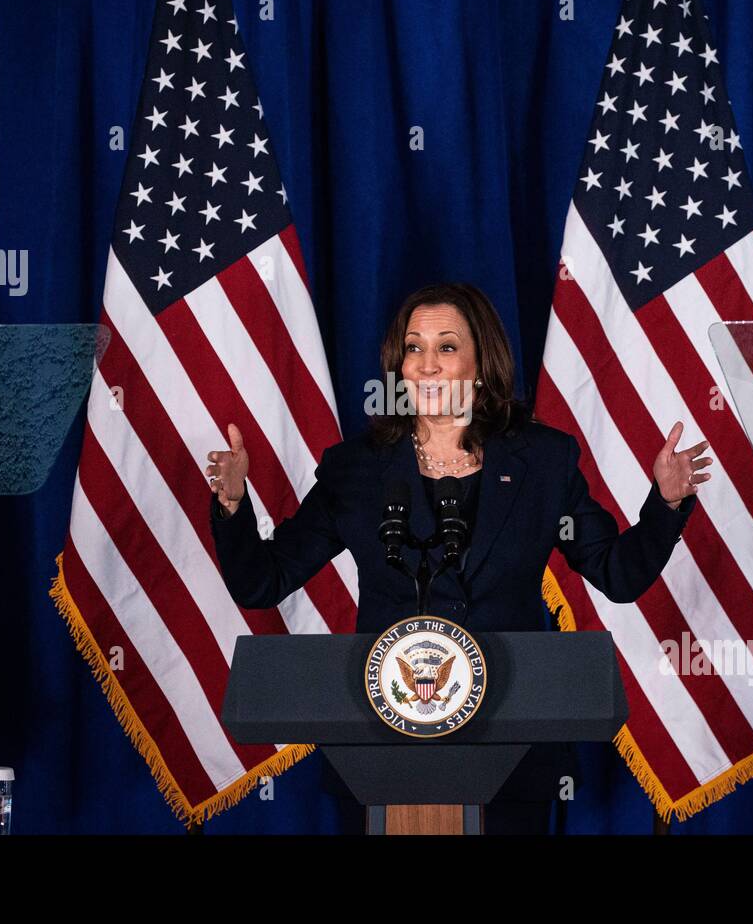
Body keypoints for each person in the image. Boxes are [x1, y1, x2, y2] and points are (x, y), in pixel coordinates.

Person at [206, 282, 710, 834]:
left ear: (481, 361)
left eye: (446, 347)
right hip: (381, 750)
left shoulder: (543, 460)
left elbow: (618, 572)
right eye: (413, 347)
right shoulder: (356, 470)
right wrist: (232, 507)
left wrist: (665, 503)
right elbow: (264, 581)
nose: (426, 365)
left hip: (512, 744)